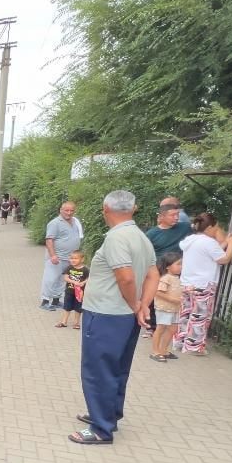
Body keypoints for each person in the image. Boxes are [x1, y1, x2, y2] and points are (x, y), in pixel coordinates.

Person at [69, 190, 158, 445]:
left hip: (106, 314)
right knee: (118, 368)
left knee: (98, 370)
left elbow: (126, 277)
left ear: (105, 208)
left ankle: (101, 429)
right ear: (134, 208)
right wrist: (143, 306)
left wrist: (135, 305)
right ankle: (108, 415)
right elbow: (153, 275)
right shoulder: (141, 237)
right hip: (124, 318)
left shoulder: (117, 238)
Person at [175, 213, 232, 356]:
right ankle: (194, 347)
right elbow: (224, 259)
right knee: (200, 316)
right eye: (216, 227)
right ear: (210, 226)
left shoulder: (191, 239)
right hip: (203, 285)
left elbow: (208, 251)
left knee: (185, 314)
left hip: (187, 283)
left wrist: (225, 243)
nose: (217, 229)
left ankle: (180, 342)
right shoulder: (208, 242)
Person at [143, 197, 193, 336]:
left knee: (177, 295)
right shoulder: (152, 234)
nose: (177, 218)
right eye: (173, 215)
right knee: (155, 295)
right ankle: (151, 326)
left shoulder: (185, 227)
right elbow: (144, 254)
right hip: (159, 269)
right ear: (162, 217)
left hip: (178, 270)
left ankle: (175, 327)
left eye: (177, 215)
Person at [39, 202, 83, 311]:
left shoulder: (75, 222)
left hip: (70, 259)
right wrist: (53, 255)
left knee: (62, 280)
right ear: (61, 210)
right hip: (57, 257)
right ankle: (45, 301)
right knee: (51, 278)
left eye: (71, 210)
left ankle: (56, 300)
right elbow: (49, 240)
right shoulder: (55, 223)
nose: (69, 213)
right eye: (66, 210)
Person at [151, 252, 183, 362]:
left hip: (174, 309)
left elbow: (175, 290)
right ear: (168, 266)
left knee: (173, 329)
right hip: (164, 308)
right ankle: (155, 352)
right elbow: (158, 292)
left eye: (181, 264)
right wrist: (173, 300)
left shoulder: (176, 278)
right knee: (160, 329)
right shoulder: (166, 278)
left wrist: (187, 290)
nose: (181, 266)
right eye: (178, 264)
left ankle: (164, 350)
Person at [55, 249, 89, 329]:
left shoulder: (85, 269)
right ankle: (64, 322)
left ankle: (77, 323)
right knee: (67, 307)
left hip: (79, 293)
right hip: (69, 292)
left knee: (78, 308)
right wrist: (74, 282)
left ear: (82, 259)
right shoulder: (69, 268)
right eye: (71, 258)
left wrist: (83, 283)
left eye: (75, 258)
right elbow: (65, 278)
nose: (73, 260)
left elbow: (89, 278)